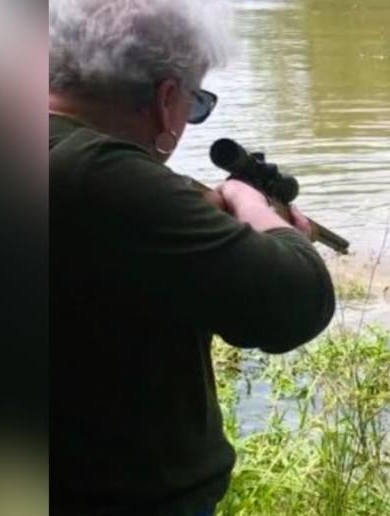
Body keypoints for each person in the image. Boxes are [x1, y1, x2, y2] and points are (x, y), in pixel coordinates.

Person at [48, 1, 336, 514]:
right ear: (165, 99)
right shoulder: (99, 176)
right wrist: (252, 206)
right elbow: (296, 301)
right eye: (195, 103)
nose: (188, 121)